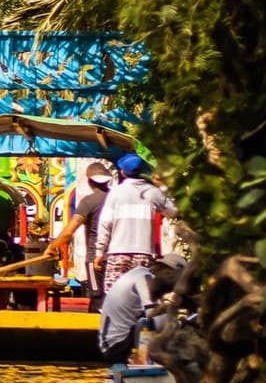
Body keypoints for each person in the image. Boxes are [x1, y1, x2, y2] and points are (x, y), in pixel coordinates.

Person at [94, 153, 179, 294]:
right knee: (141, 294)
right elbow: (173, 212)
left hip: (118, 252)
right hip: (144, 252)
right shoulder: (152, 192)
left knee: (114, 293)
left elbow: (105, 224)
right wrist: (162, 187)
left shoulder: (116, 193)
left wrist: (99, 252)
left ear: (122, 172)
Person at [54, 163, 115, 310]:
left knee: (96, 296)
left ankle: (95, 331)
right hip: (116, 256)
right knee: (113, 295)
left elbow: (69, 231)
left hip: (95, 258)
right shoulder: (117, 198)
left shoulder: (89, 202)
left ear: (89, 181)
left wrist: (52, 246)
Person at [99, 253, 182, 362]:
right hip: (116, 346)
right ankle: (147, 362)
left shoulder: (141, 273)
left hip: (115, 341)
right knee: (159, 322)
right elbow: (152, 313)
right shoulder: (145, 278)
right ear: (167, 271)